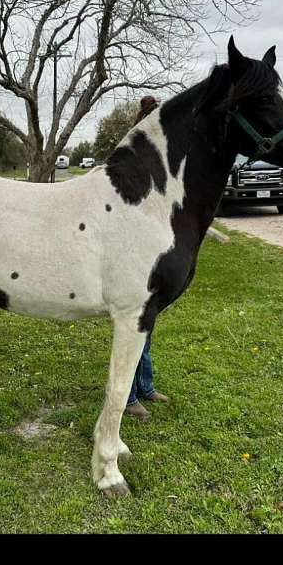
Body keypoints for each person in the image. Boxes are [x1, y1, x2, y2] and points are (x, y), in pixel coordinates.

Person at [124, 96, 169, 420]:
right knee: (134, 324)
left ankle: (145, 385)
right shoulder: (134, 154)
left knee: (146, 324)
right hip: (133, 248)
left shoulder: (161, 156)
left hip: (151, 245)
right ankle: (128, 396)